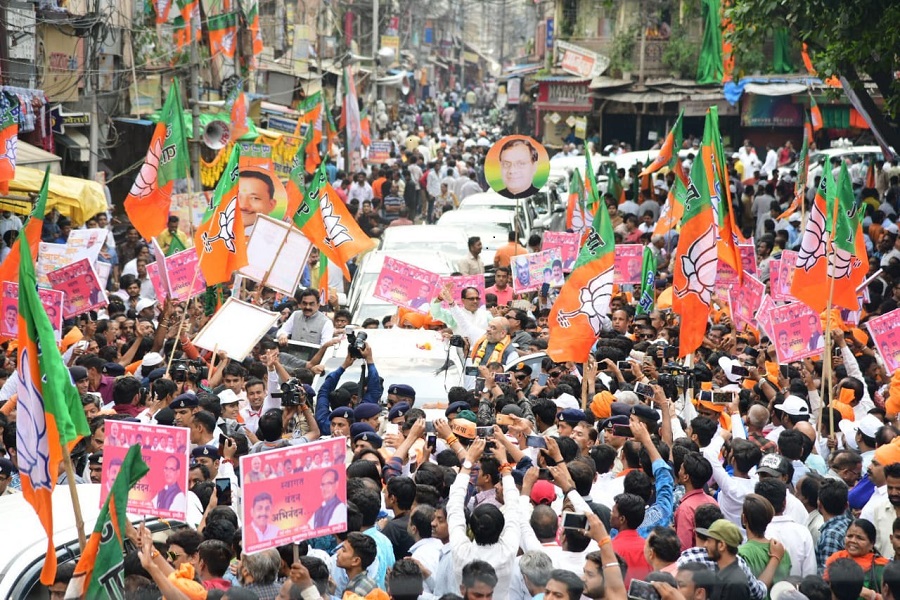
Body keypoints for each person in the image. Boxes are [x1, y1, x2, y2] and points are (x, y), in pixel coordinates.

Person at [824, 518, 889, 593]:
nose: (853, 541)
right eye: (850, 536)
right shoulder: (836, 559)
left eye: (860, 538)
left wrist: (870, 595)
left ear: (872, 544)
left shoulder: (880, 568)